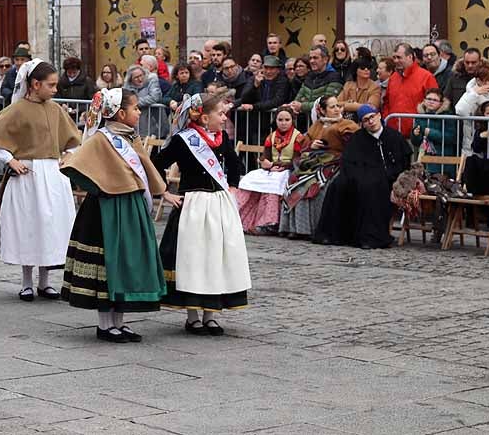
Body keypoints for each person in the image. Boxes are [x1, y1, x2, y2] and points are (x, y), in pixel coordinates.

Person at [61, 89, 174, 342]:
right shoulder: (102, 139)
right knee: (107, 264)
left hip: (130, 204)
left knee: (126, 261)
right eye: (135, 108)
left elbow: (145, 167)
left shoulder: (131, 137)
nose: (139, 112)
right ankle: (105, 324)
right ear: (121, 113)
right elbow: (73, 164)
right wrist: (100, 185)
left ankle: (120, 322)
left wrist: (161, 191)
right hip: (107, 208)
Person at [0, 60, 80, 299]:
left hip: (53, 176)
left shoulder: (56, 110)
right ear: (35, 84)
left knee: (50, 227)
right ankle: (26, 281)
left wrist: (67, 156)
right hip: (28, 176)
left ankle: (45, 281)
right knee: (29, 225)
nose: (56, 89)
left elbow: (74, 140)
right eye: (51, 85)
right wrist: (10, 160)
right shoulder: (17, 109)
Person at [153, 93, 251, 336]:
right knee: (194, 258)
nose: (224, 117)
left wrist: (233, 186)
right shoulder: (184, 140)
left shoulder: (222, 137)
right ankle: (193, 316)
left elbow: (235, 163)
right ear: (205, 117)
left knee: (216, 256)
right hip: (193, 205)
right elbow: (157, 163)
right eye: (220, 113)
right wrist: (165, 193)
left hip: (218, 205)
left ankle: (211, 315)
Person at [314, 105, 411, 249]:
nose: (370, 122)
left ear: (379, 116)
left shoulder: (394, 136)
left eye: (372, 117)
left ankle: (370, 237)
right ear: (362, 124)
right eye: (366, 120)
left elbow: (403, 161)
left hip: (388, 178)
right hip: (361, 175)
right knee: (337, 186)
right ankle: (332, 234)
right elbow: (349, 162)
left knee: (370, 188)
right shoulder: (358, 138)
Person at [280, 96, 357, 240]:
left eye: (337, 106)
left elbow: (353, 147)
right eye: (332, 107)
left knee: (318, 186)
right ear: (322, 110)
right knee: (295, 180)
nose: (336, 109)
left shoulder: (348, 125)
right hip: (315, 162)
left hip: (336, 163)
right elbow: (303, 146)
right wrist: (311, 146)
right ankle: (296, 228)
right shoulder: (316, 125)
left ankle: (317, 228)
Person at [235, 107, 306, 234]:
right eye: (280, 120)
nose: (283, 123)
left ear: (292, 120)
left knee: (273, 185)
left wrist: (274, 164)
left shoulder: (298, 137)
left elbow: (296, 160)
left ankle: (269, 222)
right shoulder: (271, 137)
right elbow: (265, 155)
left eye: (287, 120)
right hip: (271, 170)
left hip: (288, 170)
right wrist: (264, 162)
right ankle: (238, 216)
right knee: (250, 179)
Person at [382, 43, 438, 138]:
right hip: (393, 134)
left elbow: (435, 105)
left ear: (410, 57)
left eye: (399, 57)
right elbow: (387, 103)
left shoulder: (426, 77)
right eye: (394, 57)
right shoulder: (393, 77)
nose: (396, 61)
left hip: (417, 136)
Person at [455, 65, 489, 155]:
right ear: (478, 81)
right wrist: (474, 94)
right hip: (471, 141)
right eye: (488, 80)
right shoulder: (469, 93)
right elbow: (460, 111)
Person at [411, 88, 459, 175]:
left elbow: (451, 137)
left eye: (435, 100)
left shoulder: (447, 116)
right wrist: (415, 134)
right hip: (424, 159)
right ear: (424, 101)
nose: (431, 102)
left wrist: (431, 133)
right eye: (428, 99)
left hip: (443, 161)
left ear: (441, 103)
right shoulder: (419, 116)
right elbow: (416, 142)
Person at [288, 46, 343, 118]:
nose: (311, 61)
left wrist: (302, 106)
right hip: (306, 122)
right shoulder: (309, 76)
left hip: (325, 123)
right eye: (310, 58)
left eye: (315, 58)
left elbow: (326, 103)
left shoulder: (334, 77)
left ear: (325, 59)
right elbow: (298, 97)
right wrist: (291, 106)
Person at [124, 64, 164, 137]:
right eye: (136, 77)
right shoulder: (127, 87)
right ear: (131, 79)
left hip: (153, 122)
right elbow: (125, 100)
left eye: (141, 75)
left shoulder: (152, 80)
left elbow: (154, 97)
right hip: (135, 125)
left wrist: (134, 103)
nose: (140, 79)